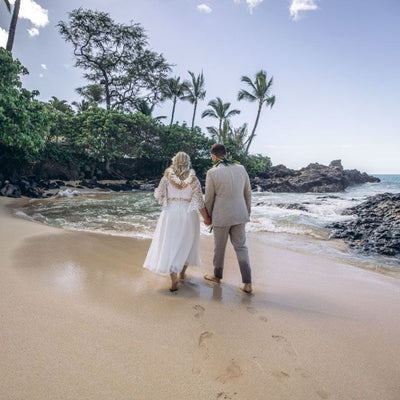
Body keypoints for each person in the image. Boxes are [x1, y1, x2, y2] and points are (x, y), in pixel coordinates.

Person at [143, 152, 211, 292]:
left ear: (174, 162)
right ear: (188, 162)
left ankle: (173, 276)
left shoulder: (167, 177)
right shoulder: (194, 179)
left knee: (170, 243)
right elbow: (199, 201)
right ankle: (182, 273)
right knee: (188, 243)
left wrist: (169, 200)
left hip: (170, 213)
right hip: (188, 213)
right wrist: (206, 218)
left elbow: (159, 194)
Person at [203, 144, 253, 293]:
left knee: (220, 247)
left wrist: (208, 216)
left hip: (221, 215)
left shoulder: (212, 172)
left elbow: (209, 198)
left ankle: (217, 276)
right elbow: (248, 192)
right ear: (226, 154)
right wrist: (247, 210)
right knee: (241, 247)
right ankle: (248, 283)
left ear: (213, 156)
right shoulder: (241, 168)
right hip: (240, 213)